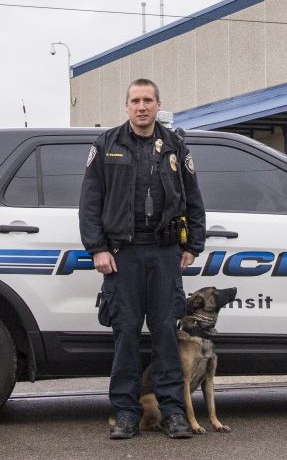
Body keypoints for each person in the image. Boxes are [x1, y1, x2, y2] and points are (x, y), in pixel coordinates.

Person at [79, 79, 206, 440]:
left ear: (157, 103)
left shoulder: (176, 146)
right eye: (135, 100)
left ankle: (173, 412)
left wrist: (192, 245)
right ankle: (126, 412)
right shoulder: (105, 145)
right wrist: (97, 248)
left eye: (148, 100)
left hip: (165, 253)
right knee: (126, 335)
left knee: (167, 333)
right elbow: (89, 203)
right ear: (126, 106)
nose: (141, 107)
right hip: (122, 255)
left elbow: (194, 199)